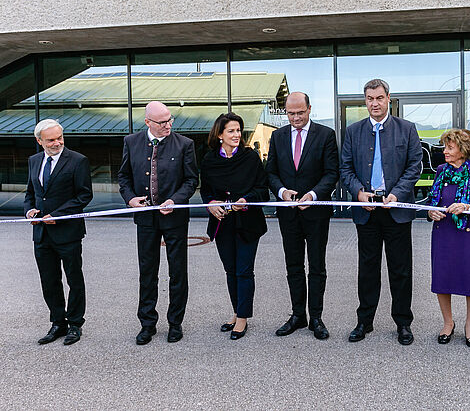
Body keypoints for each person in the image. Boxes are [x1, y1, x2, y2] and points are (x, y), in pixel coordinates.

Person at [339, 78, 422, 345]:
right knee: (368, 269)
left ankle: (403, 323)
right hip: (367, 211)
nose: (374, 103)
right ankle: (365, 321)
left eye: (379, 98)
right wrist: (358, 193)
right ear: (365, 101)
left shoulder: (406, 129)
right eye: (369, 99)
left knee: (400, 270)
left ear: (389, 99)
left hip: (395, 210)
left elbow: (414, 167)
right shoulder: (353, 132)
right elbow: (346, 169)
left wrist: (396, 194)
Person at [118, 101, 198, 345]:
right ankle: (147, 324)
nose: (168, 125)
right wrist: (130, 198)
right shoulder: (131, 142)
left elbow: (191, 180)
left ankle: (175, 323)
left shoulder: (185, 144)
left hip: (174, 218)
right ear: (148, 123)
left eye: (170, 120)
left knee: (177, 272)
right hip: (145, 218)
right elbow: (123, 176)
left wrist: (175, 199)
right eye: (162, 122)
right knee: (148, 271)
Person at [266, 92, 339, 340]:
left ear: (309, 109)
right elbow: (271, 172)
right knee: (293, 265)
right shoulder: (277, 136)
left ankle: (316, 318)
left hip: (316, 213)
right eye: (291, 113)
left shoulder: (326, 135)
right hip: (288, 213)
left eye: (300, 112)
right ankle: (298, 315)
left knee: (317, 266)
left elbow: (331, 173)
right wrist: (282, 191)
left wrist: (313, 195)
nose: (295, 118)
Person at [24, 119, 93, 345]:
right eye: (51, 140)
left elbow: (84, 196)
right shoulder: (34, 161)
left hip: (68, 233)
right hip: (41, 234)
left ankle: (75, 324)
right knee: (49, 280)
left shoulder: (78, 161)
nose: (57, 143)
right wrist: (29, 212)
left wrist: (59, 214)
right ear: (39, 141)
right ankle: (57, 323)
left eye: (59, 138)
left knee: (74, 278)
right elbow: (31, 193)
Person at [200, 113, 269, 340]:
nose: (237, 135)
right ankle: (236, 311)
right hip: (222, 224)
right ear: (220, 134)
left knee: (244, 270)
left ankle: (242, 318)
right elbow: (206, 191)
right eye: (231, 131)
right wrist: (210, 203)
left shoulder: (250, 158)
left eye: (239, 130)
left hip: (248, 223)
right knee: (231, 270)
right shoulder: (210, 160)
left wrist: (246, 200)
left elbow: (263, 190)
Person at [428, 129, 470, 347]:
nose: (444, 151)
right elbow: (433, 202)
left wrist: (467, 207)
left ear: (463, 150)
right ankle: (448, 323)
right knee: (442, 278)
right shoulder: (441, 171)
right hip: (443, 232)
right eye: (444, 146)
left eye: (449, 147)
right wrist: (431, 212)